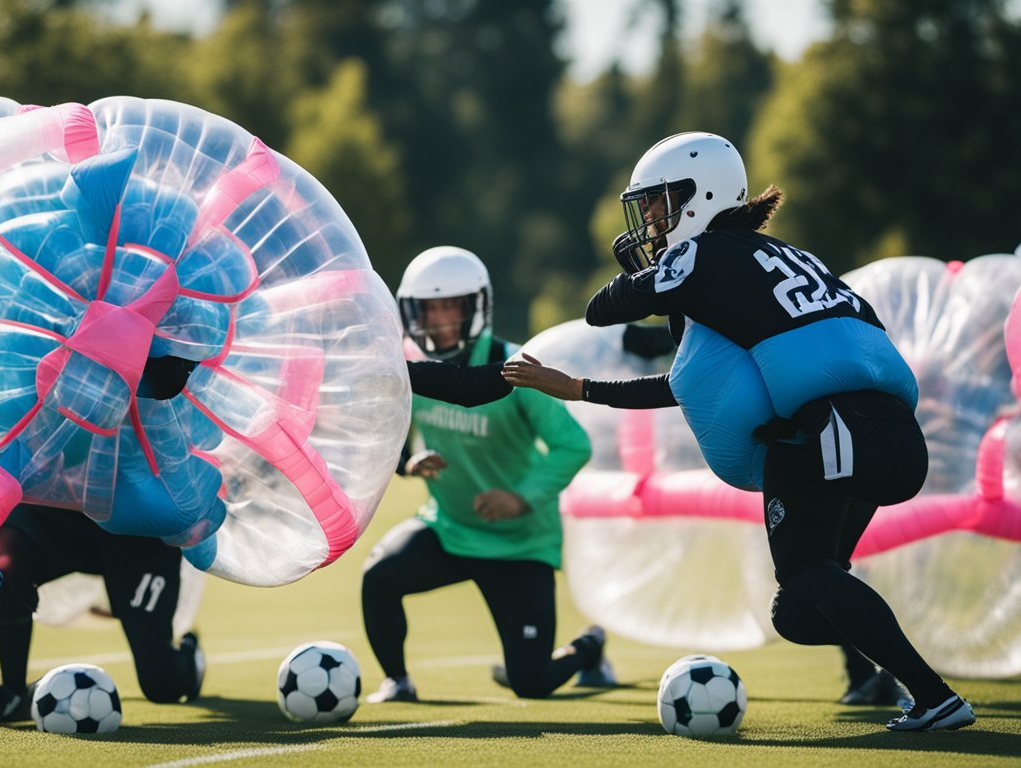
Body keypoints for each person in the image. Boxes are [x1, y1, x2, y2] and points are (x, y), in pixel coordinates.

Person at [501, 132, 973, 732]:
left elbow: (601, 308)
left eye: (658, 201)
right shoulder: (786, 257)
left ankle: (933, 696)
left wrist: (652, 276)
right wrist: (580, 389)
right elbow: (687, 383)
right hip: (881, 430)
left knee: (807, 576)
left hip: (820, 429)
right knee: (800, 610)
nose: (649, 218)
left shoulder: (704, 255)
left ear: (698, 197)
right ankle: (889, 667)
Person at [363, 245, 611, 704]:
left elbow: (573, 445)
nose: (437, 319)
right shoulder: (408, 368)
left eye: (449, 306)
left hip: (519, 544)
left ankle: (590, 647)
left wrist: (520, 497)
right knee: (378, 577)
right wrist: (408, 464)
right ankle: (397, 681)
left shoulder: (518, 366)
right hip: (449, 529)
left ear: (476, 307)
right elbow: (386, 436)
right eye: (427, 308)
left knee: (531, 683)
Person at [621, 321, 910, 709]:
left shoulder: (756, 316)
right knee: (817, 582)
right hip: (847, 442)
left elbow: (710, 361)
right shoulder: (778, 307)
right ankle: (877, 673)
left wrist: (588, 384)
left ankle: (906, 678)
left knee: (807, 584)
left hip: (822, 448)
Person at [0, 356, 205, 726]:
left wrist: (151, 370)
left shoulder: (168, 340)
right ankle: (12, 692)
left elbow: (189, 393)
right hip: (57, 505)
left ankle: (189, 656)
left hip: (138, 526)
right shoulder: (49, 328)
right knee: (1, 572)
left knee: (162, 685)